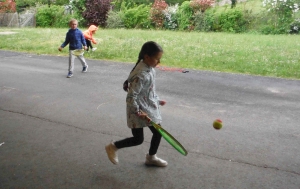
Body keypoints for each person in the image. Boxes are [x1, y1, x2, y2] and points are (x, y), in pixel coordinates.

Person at [105, 41, 168, 167]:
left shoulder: (149, 69)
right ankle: (113, 147)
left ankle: (151, 157)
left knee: (158, 132)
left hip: (148, 107)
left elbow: (148, 90)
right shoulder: (141, 74)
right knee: (138, 139)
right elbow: (131, 97)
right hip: (137, 110)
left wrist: (157, 100)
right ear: (147, 57)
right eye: (157, 59)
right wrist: (138, 112)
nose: (159, 62)